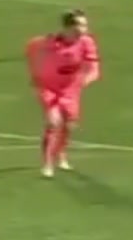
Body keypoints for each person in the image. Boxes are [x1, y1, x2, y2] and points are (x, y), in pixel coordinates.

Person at [24, 10, 102, 178]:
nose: (85, 28)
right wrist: (34, 74)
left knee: (69, 124)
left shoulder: (87, 42)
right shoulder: (48, 42)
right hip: (49, 87)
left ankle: (61, 153)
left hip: (71, 89)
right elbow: (30, 47)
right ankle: (47, 164)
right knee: (53, 122)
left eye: (85, 25)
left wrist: (87, 79)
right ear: (69, 27)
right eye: (81, 25)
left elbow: (94, 68)